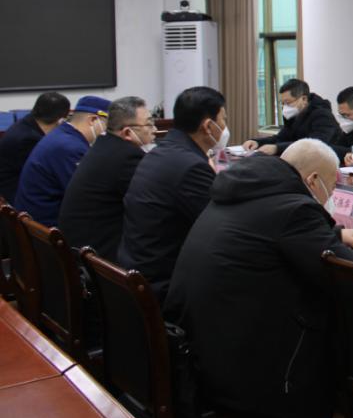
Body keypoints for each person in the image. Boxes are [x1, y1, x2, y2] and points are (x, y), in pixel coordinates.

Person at [166, 139, 353, 418]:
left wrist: (334, 234)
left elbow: (273, 236)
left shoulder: (244, 189)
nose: (332, 195)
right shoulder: (296, 209)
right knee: (326, 313)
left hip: (202, 344)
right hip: (240, 363)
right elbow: (349, 273)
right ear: (313, 179)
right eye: (331, 186)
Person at [118, 86, 227, 301]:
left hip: (136, 271)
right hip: (163, 284)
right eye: (223, 120)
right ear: (208, 126)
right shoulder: (191, 166)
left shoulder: (160, 152)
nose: (225, 127)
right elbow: (219, 228)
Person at [58, 96, 154, 259]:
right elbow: (149, 204)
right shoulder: (126, 157)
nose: (153, 129)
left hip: (79, 245)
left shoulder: (104, 144)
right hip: (97, 254)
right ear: (127, 132)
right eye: (149, 124)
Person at [14, 95, 109, 226]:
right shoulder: (70, 147)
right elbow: (86, 196)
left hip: (37, 219)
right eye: (107, 125)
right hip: (49, 225)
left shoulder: (62, 134)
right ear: (93, 120)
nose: (107, 132)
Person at [0, 92, 70, 203]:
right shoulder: (29, 140)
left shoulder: (28, 123)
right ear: (61, 119)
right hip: (17, 195)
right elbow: (41, 176)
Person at [243, 79, 338, 156]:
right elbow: (280, 138)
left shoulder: (323, 115)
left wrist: (277, 148)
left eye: (288, 102)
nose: (285, 107)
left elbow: (313, 144)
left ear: (304, 99)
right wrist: (257, 142)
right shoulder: (294, 114)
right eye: (282, 103)